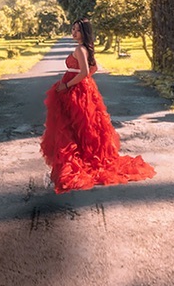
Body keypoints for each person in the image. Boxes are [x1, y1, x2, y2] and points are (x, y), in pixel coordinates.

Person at [41, 17, 156, 193]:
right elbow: (92, 69)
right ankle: (83, 156)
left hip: (74, 90)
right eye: (73, 30)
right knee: (82, 126)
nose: (74, 33)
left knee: (74, 126)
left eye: (77, 30)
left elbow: (86, 72)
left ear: (84, 33)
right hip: (82, 88)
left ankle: (81, 161)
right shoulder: (86, 48)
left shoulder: (80, 49)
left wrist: (66, 85)